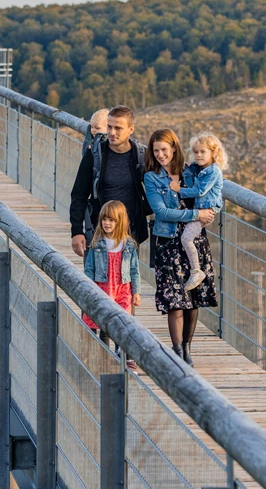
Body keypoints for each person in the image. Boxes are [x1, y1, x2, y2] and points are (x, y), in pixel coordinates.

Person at [143, 128, 218, 365]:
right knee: (174, 299)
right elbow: (162, 212)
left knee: (192, 299)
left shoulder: (191, 172)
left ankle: (187, 349)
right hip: (167, 243)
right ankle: (176, 352)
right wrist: (197, 213)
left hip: (193, 242)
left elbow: (212, 190)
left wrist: (212, 211)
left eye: (164, 149)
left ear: (174, 148)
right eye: (155, 151)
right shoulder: (151, 177)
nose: (160, 155)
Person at [70, 105, 150, 257]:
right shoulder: (94, 154)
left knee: (127, 280)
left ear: (130, 130)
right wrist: (76, 231)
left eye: (118, 128)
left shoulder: (140, 156)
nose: (112, 133)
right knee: (93, 281)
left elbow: (161, 185)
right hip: (98, 232)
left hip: (129, 234)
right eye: (109, 127)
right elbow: (78, 194)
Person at [80, 200, 141, 367]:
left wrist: (136, 291)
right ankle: (103, 356)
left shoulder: (128, 244)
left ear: (120, 221)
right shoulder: (97, 244)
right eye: (104, 219)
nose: (107, 223)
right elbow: (89, 269)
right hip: (102, 288)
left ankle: (125, 355)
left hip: (122, 288)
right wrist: (88, 290)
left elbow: (134, 269)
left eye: (112, 220)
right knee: (103, 323)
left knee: (123, 322)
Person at [172, 133, 228, 290]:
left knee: (186, 239)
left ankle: (196, 270)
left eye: (203, 152)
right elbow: (192, 175)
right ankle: (194, 269)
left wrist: (179, 190)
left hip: (206, 210)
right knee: (186, 236)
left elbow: (200, 190)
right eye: (196, 152)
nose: (198, 155)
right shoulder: (202, 168)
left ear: (213, 152)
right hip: (201, 209)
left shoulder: (213, 171)